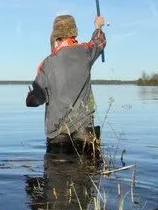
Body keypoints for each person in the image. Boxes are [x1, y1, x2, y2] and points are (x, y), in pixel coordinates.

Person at [25, 11, 107, 155]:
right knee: (86, 173)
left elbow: (36, 100)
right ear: (74, 31)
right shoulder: (86, 51)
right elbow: (99, 42)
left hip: (58, 135)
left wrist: (30, 96)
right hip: (85, 130)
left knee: (57, 174)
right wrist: (98, 26)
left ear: (56, 35)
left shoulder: (47, 63)